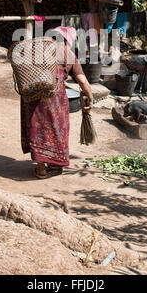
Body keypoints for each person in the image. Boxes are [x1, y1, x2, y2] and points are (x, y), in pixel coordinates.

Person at [21, 26, 94, 179]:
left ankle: (41, 169)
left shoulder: (38, 49)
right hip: (53, 100)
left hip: (32, 95)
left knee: (36, 127)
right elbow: (82, 80)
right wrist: (90, 96)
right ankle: (53, 163)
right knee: (55, 129)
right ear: (68, 40)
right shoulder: (68, 54)